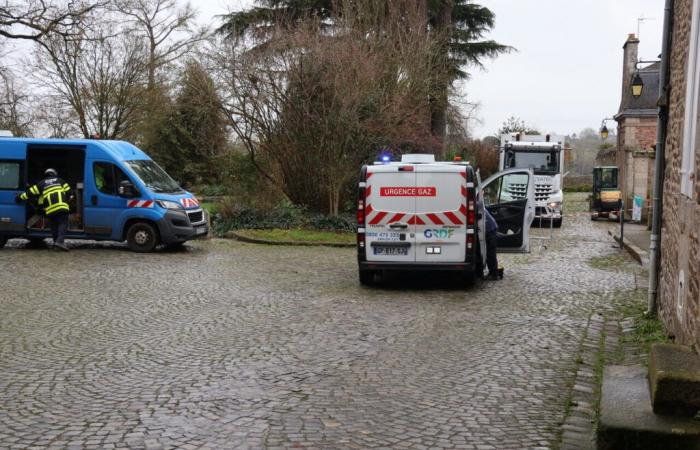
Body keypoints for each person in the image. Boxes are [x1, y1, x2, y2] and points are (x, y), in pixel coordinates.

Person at [16, 168, 72, 251]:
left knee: (54, 226)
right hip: (62, 207)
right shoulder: (61, 181)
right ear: (54, 174)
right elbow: (69, 192)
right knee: (63, 223)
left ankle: (56, 244)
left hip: (50, 210)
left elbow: (29, 193)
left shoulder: (41, 184)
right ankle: (60, 242)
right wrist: (66, 200)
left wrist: (19, 198)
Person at [484, 207, 500, 280]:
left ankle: (494, 274)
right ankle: (494, 273)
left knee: (490, 253)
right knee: (491, 253)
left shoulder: (477, 206)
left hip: (490, 231)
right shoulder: (480, 206)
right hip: (492, 229)